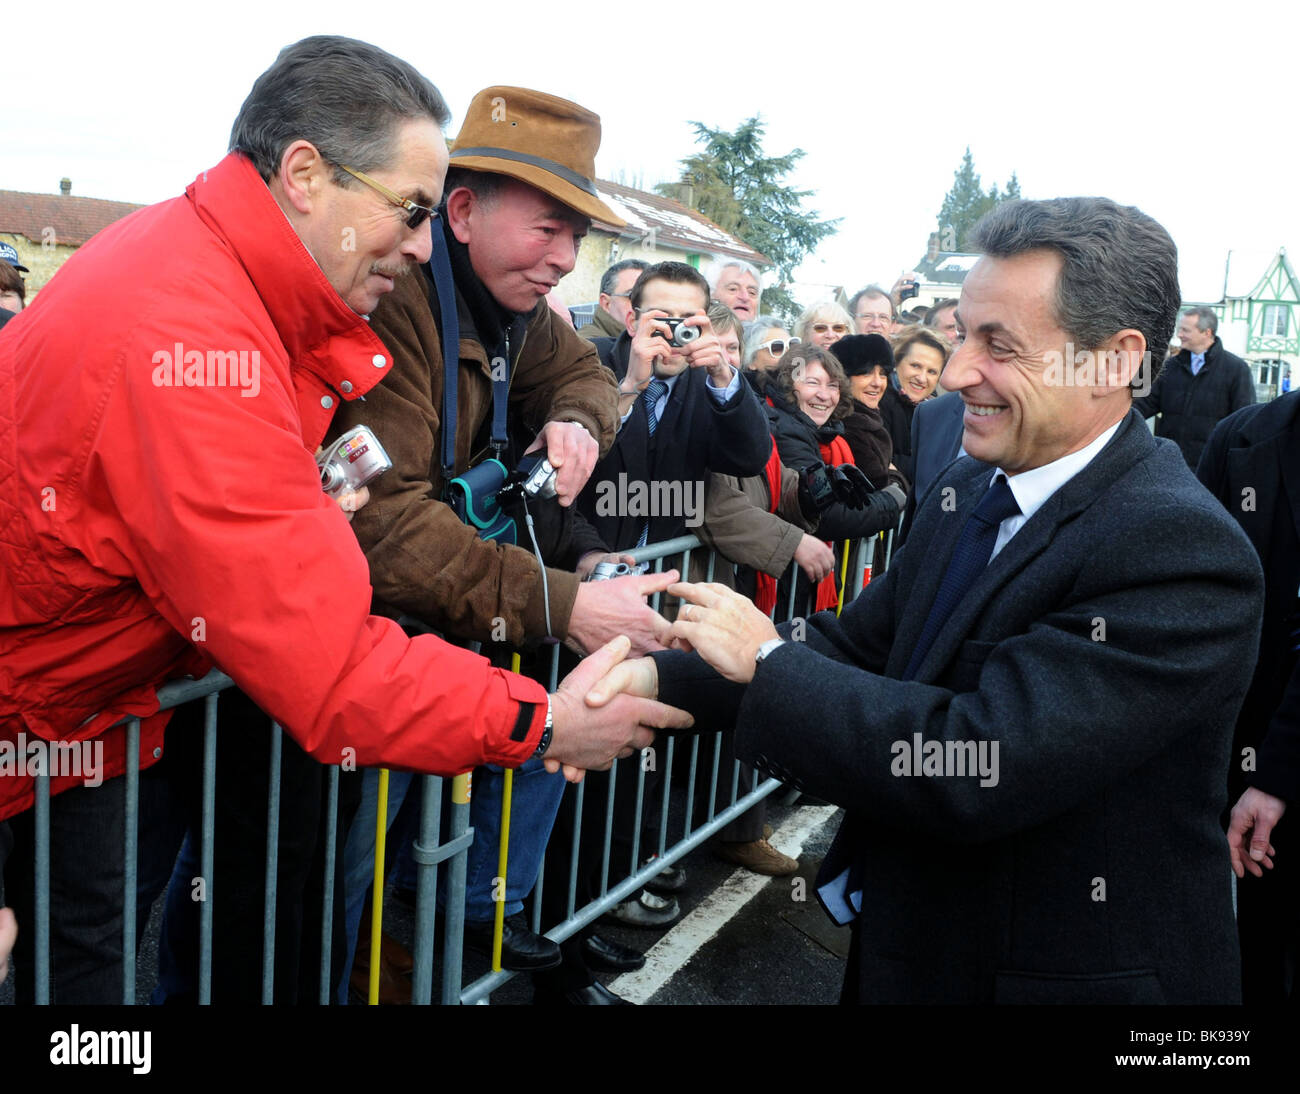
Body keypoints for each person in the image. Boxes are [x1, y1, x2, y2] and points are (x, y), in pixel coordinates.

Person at [0, 36, 686, 1004]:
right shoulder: (191, 330)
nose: (419, 245)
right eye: (411, 210)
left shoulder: (216, 272)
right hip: (45, 700)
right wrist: (540, 721)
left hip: (87, 707)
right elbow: (325, 659)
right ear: (306, 175)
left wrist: (302, 505)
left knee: (90, 964)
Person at [590, 196, 1266, 1004]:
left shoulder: (1181, 550)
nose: (954, 374)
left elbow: (981, 760)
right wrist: (649, 682)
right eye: (961, 337)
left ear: (1112, 361)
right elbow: (854, 645)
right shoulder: (972, 485)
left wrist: (764, 659)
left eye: (999, 346)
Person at [324, 86, 674, 985]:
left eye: (577, 237)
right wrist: (567, 606)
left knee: (395, 861)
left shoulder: (514, 302)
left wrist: (579, 422)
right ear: (467, 211)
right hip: (345, 657)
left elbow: (584, 377)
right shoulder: (396, 300)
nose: (566, 260)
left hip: (414, 648)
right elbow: (387, 529)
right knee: (326, 884)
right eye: (549, 229)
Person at [1198, 392, 1300, 1003]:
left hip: (1275, 764)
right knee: (1259, 943)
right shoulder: (1242, 437)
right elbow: (1198, 589)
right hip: (1251, 745)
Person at [766, 344, 906, 614]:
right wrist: (892, 500)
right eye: (812, 383)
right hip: (780, 585)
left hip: (797, 582)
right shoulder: (786, 432)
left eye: (832, 385)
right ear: (787, 386)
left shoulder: (825, 435)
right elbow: (827, 515)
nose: (824, 395)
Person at [1135, 305, 1256, 469]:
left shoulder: (1237, 369)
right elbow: (1144, 404)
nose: (1179, 335)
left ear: (1207, 333)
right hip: (1170, 464)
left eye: (1185, 330)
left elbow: (1244, 421)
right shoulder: (1170, 367)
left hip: (1211, 466)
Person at [833, 333, 908, 491]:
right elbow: (883, 489)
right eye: (866, 373)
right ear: (844, 377)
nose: (877, 383)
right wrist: (896, 475)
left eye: (883, 374)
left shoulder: (868, 418)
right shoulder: (848, 428)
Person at [879, 325, 951, 483]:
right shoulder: (878, 401)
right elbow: (881, 460)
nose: (922, 378)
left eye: (932, 371)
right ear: (897, 363)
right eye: (916, 366)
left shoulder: (937, 409)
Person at [578, 258, 648, 339]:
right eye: (634, 296)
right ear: (606, 303)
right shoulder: (588, 346)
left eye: (652, 297)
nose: (646, 305)